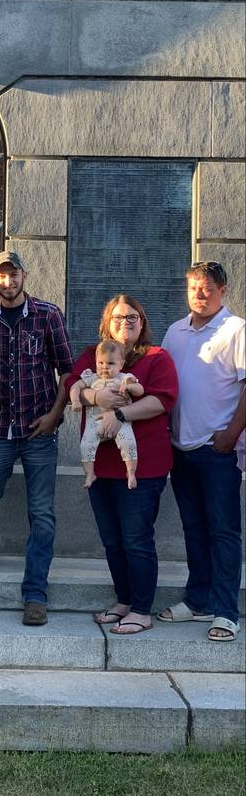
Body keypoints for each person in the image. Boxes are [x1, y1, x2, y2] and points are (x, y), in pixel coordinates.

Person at [0, 251, 73, 626]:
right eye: (2, 276)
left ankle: (35, 594)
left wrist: (55, 416)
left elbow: (69, 372)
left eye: (14, 275)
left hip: (39, 432)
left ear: (24, 276)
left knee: (42, 513)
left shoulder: (48, 315)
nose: (8, 281)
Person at [68, 294, 178, 636]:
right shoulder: (93, 355)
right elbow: (74, 384)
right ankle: (124, 601)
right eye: (118, 318)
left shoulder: (157, 358)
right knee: (112, 540)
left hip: (142, 466)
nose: (125, 323)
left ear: (142, 322)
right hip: (101, 465)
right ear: (106, 322)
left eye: (132, 317)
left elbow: (162, 400)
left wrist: (119, 413)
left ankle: (142, 609)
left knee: (136, 538)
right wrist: (95, 396)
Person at [160, 261, 245, 642]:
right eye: (193, 286)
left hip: (217, 451)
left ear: (223, 291)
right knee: (194, 528)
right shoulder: (174, 332)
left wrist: (229, 435)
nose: (200, 293)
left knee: (223, 531)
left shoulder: (236, 329)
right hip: (180, 447)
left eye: (208, 287)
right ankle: (198, 601)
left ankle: (226, 611)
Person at [70, 338, 144, 489]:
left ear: (121, 364)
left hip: (120, 422)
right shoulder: (91, 378)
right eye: (100, 363)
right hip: (94, 422)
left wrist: (129, 388)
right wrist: (76, 401)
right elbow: (74, 387)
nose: (104, 367)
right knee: (86, 445)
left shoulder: (124, 378)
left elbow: (140, 389)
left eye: (110, 364)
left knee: (129, 443)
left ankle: (131, 472)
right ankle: (90, 473)